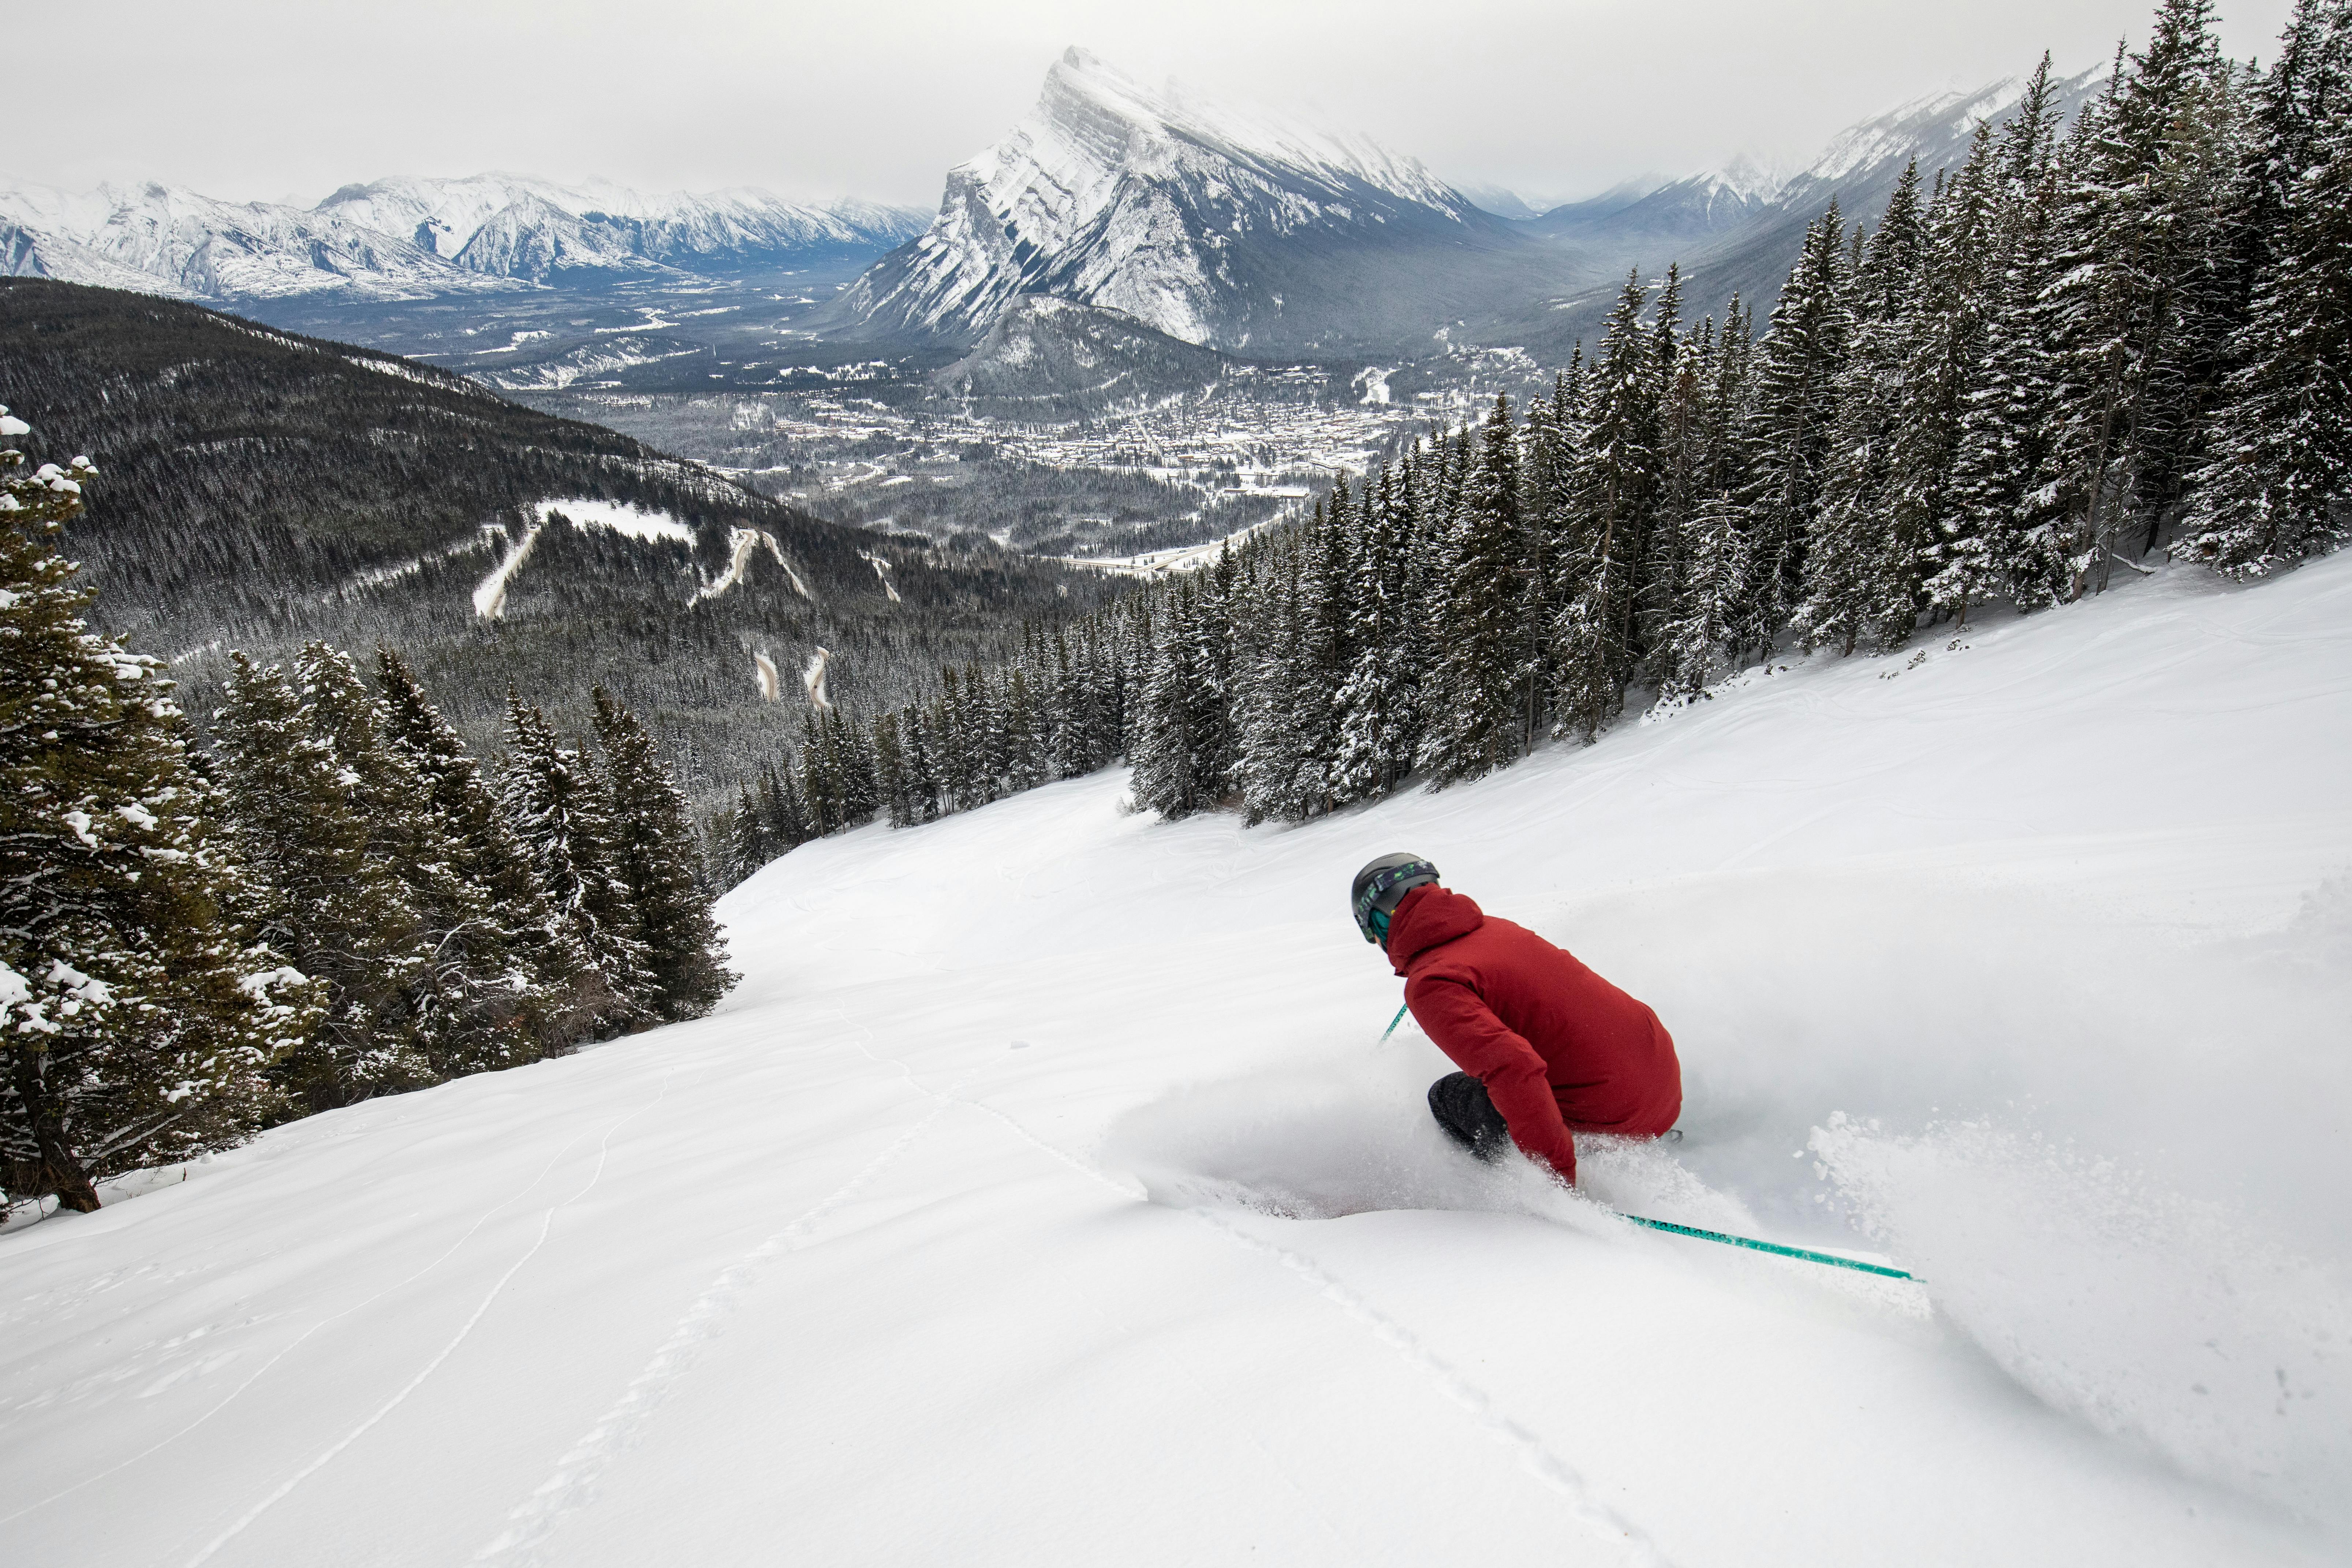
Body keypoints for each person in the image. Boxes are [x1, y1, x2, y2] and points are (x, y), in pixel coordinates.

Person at [1351, 853, 1681, 1186]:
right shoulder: (1495, 928)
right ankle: (1613, 1133)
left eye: (1371, 934)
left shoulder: (1433, 984)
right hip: (1661, 1086)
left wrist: (1557, 1180)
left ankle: (1512, 1184)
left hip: (1612, 1115)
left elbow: (1514, 1070)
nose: (1376, 943)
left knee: (1448, 1096)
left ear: (1381, 922)